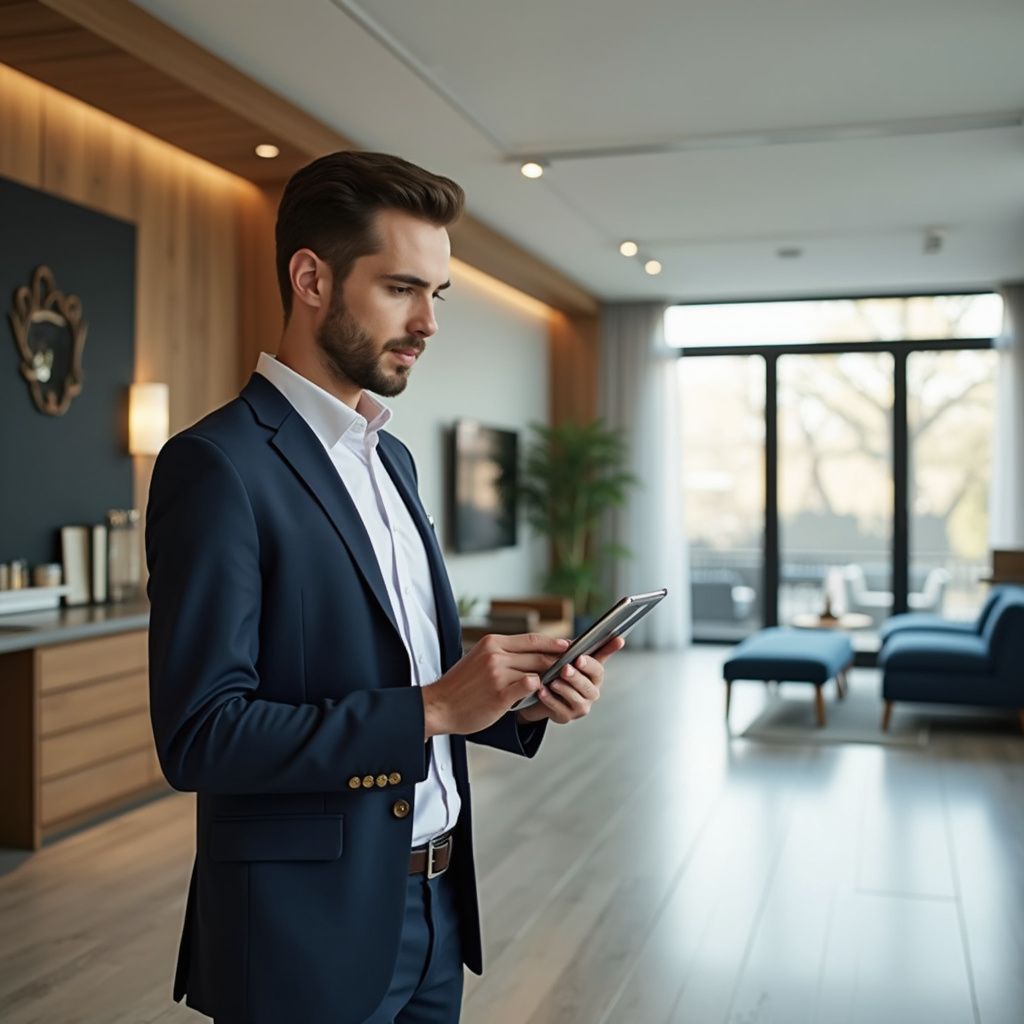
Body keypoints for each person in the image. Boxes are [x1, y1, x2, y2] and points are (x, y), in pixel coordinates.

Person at [145, 150, 624, 1024]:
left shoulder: (391, 459)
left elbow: (409, 673)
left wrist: (517, 698)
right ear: (311, 278)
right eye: (403, 288)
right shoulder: (216, 467)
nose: (429, 322)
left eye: (435, 294)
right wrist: (436, 709)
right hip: (305, 934)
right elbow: (201, 736)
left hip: (438, 906)